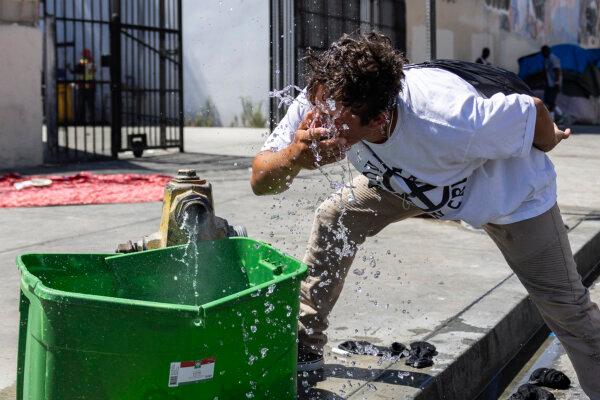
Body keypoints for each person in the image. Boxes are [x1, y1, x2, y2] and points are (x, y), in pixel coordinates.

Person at [251, 32, 600, 399]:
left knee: (568, 311)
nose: (320, 122)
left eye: (336, 121)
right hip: (406, 181)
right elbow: (260, 180)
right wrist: (292, 156)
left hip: (510, 196)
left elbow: (533, 111)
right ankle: (305, 343)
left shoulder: (450, 119)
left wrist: (548, 140)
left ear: (378, 120)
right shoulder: (326, 98)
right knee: (336, 216)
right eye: (320, 106)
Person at [72, 48, 96, 124]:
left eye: (83, 55)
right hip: (88, 87)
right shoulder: (90, 62)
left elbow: (80, 69)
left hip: (85, 87)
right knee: (88, 105)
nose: (82, 56)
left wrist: (78, 68)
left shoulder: (88, 62)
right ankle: (89, 120)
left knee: (83, 104)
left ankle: (82, 120)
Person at [541, 45, 562, 119]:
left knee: (550, 101)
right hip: (549, 83)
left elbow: (557, 71)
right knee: (547, 101)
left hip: (554, 84)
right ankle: (560, 115)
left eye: (543, 52)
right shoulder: (546, 59)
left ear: (547, 51)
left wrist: (557, 82)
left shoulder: (553, 58)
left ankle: (553, 118)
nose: (543, 54)